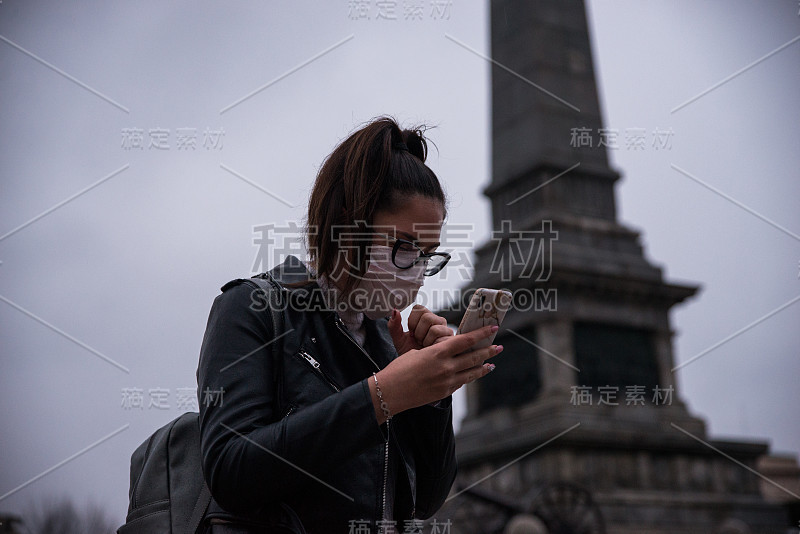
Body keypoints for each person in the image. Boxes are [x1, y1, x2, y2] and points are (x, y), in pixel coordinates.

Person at [196, 116, 504, 533]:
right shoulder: (253, 308)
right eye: (404, 246)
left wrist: (432, 396)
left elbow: (426, 500)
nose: (415, 270)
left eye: (428, 254)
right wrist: (384, 395)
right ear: (347, 222)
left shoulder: (387, 344)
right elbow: (230, 469)